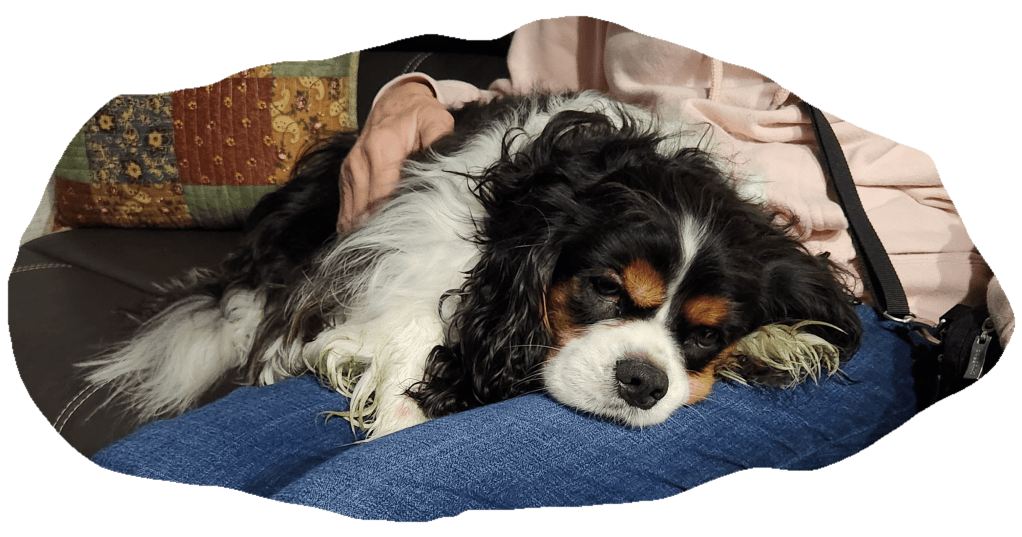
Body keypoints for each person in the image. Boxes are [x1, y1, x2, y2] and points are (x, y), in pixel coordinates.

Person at [91, 15, 1010, 523]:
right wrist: (414, 97)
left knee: (360, 500)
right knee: (148, 476)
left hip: (819, 310)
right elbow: (542, 95)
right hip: (589, 224)